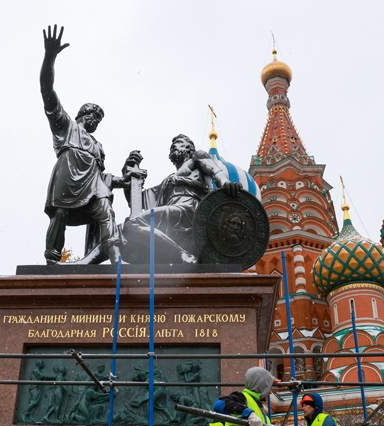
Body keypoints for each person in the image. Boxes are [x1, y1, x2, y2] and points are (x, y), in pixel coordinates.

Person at [40, 25, 122, 264]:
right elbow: (47, 90)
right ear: (82, 114)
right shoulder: (65, 125)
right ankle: (53, 260)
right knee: (61, 214)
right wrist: (50, 57)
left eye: (98, 119)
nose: (95, 121)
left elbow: (104, 175)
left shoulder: (98, 145)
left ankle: (115, 254)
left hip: (94, 184)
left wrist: (125, 179)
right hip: (68, 176)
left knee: (106, 212)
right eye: (93, 116)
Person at [123, 134, 240, 264]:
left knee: (133, 224)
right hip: (172, 214)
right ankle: (182, 254)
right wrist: (129, 177)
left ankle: (182, 255)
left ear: (189, 148)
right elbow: (136, 201)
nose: (173, 145)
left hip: (190, 210)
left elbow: (215, 171)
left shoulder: (197, 158)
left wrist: (226, 183)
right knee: (129, 228)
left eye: (179, 142)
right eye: (172, 144)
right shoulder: (167, 181)